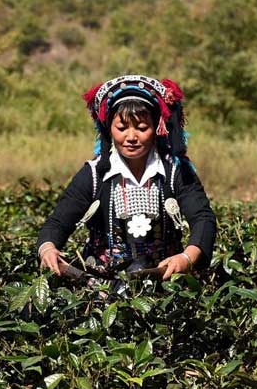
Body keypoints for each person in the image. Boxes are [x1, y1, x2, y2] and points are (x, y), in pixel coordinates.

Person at [38, 75, 216, 281]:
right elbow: (58, 223)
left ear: (157, 128)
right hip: (100, 286)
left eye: (142, 128)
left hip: (165, 282)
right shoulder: (94, 173)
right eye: (122, 128)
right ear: (109, 129)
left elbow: (203, 218)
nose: (131, 137)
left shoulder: (175, 170)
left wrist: (187, 257)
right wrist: (48, 248)